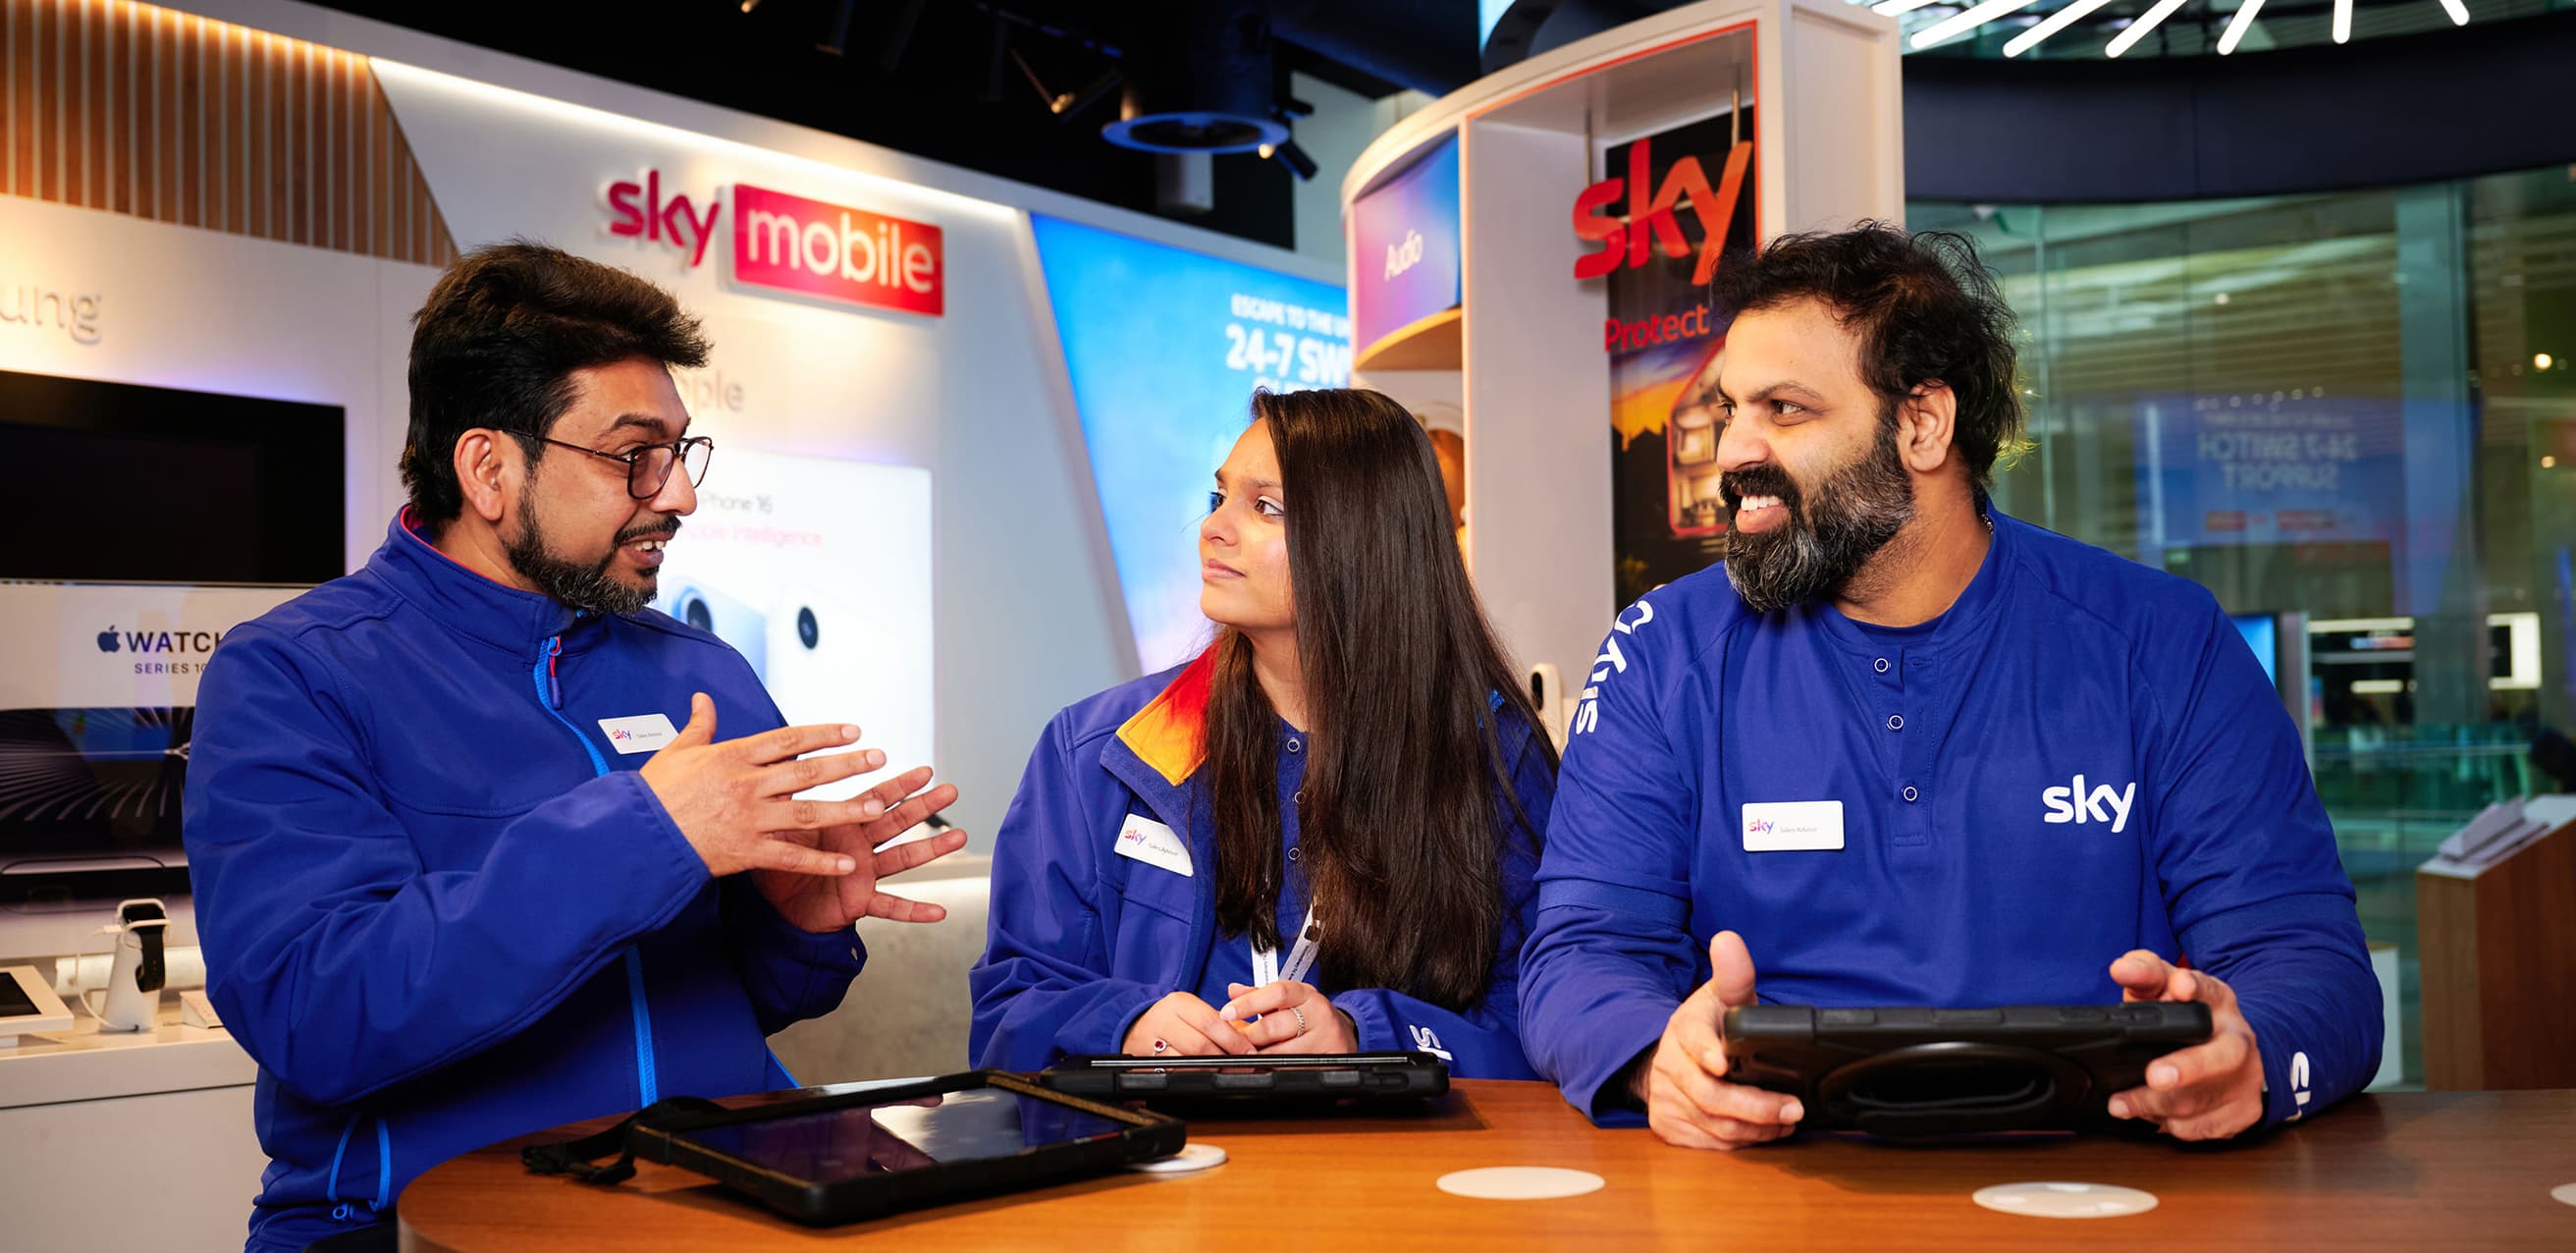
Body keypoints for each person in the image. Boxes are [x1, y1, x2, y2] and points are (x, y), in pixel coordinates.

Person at [1519, 223, 2382, 1149]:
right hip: (1776, 1185)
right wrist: (1661, 1059)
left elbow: (2309, 962)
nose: (1733, 450)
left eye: (1785, 410)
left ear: (1923, 423)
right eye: (1733, 409)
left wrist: (2251, 1051)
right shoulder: (1663, 652)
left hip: (2111, 1179)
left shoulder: (2163, 641)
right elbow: (1581, 952)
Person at [184, 242, 968, 1252]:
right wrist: (647, 831)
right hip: (407, 1225)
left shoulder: (704, 670)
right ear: (488, 468)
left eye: (682, 452)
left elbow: (752, 1001)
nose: (677, 494)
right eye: (631, 455)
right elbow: (318, 1014)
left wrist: (799, 927)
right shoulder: (294, 674)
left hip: (711, 1209)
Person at [970, 387, 1555, 1073]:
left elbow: (1546, 1032)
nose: (1213, 528)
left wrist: (1366, 1036)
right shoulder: (1096, 752)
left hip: (1395, 1173)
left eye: (1264, 507)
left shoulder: (1493, 758)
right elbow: (1006, 1018)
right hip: (1160, 1168)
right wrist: (1125, 1026)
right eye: (1219, 498)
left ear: (1361, 543)